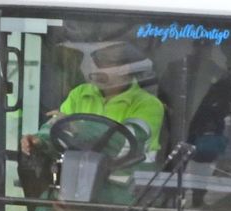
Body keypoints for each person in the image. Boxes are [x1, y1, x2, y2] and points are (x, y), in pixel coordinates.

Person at [18, 41, 165, 199]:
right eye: (96, 61)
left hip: (129, 195)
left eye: (106, 62)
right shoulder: (80, 94)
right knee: (44, 210)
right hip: (78, 185)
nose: (97, 67)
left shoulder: (148, 104)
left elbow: (124, 143)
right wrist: (40, 140)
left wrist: (79, 127)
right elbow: (58, 127)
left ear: (127, 68)